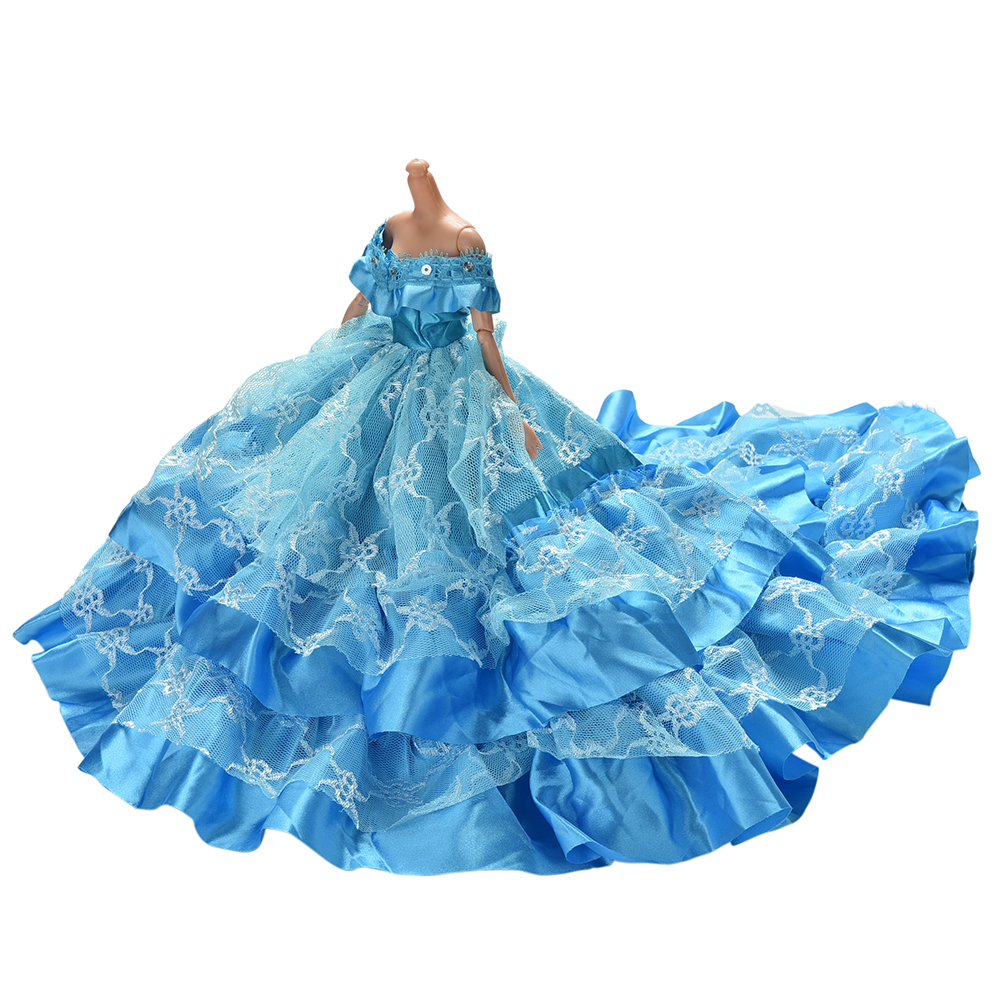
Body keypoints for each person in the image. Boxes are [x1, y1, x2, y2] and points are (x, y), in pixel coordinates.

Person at [14, 160, 979, 874]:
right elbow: (359, 305)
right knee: (335, 519)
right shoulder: (397, 226)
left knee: (463, 528)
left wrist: (511, 413)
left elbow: (478, 338)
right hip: (376, 382)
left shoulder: (459, 235)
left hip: (451, 396)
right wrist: (323, 376)